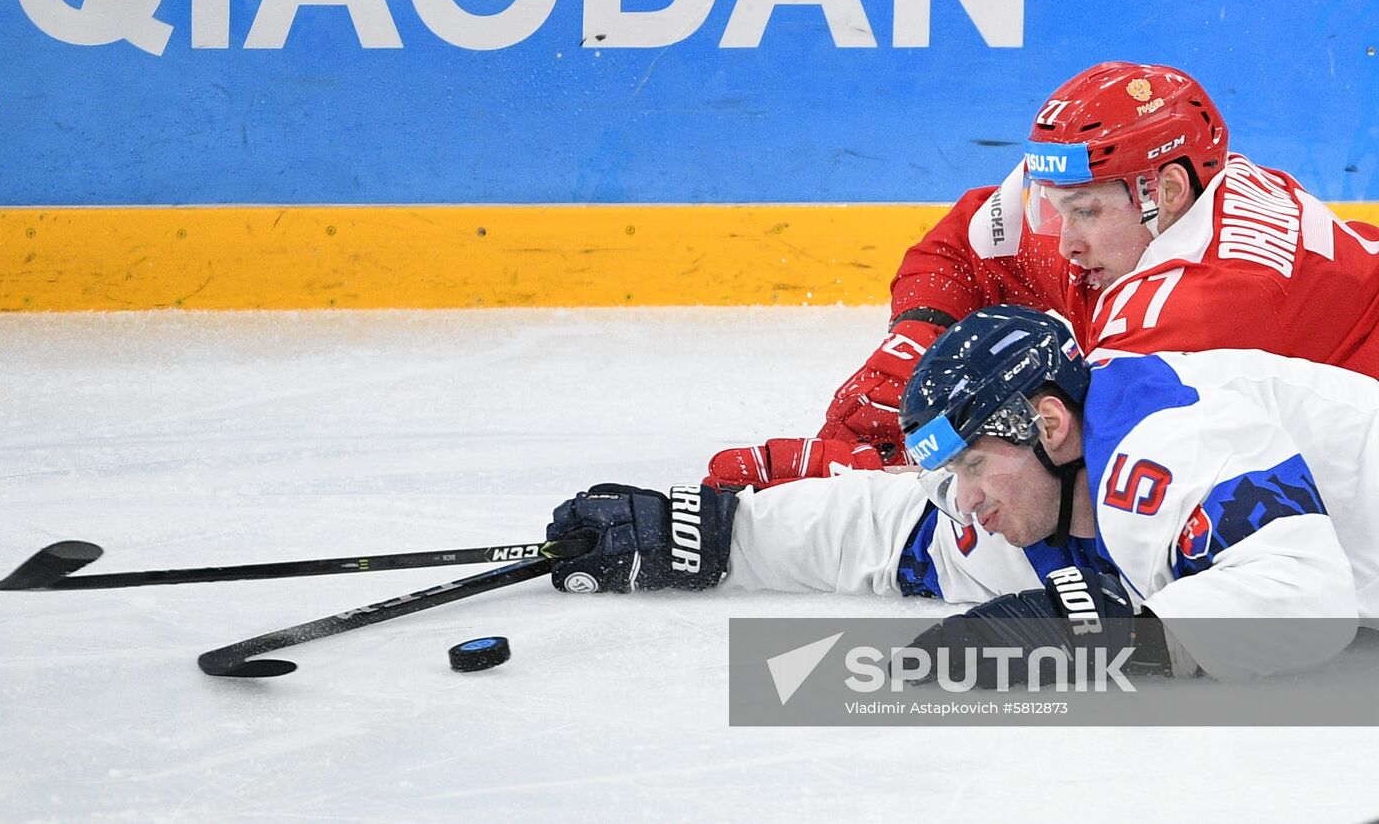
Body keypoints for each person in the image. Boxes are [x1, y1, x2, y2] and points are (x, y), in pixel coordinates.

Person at [545, 305, 1378, 681]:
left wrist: (1095, 634)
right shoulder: (1031, 495)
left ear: (1049, 424)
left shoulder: (1164, 441)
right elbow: (892, 528)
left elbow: (1306, 600)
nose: (967, 497)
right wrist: (717, 535)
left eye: (975, 464)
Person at [705, 61, 1379, 492]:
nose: (1064, 241)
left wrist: (860, 478)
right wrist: (908, 348)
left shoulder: (1198, 312)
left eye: (1082, 211)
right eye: (1054, 209)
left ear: (1167, 191)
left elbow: (1061, 483)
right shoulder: (1131, 214)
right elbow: (964, 249)